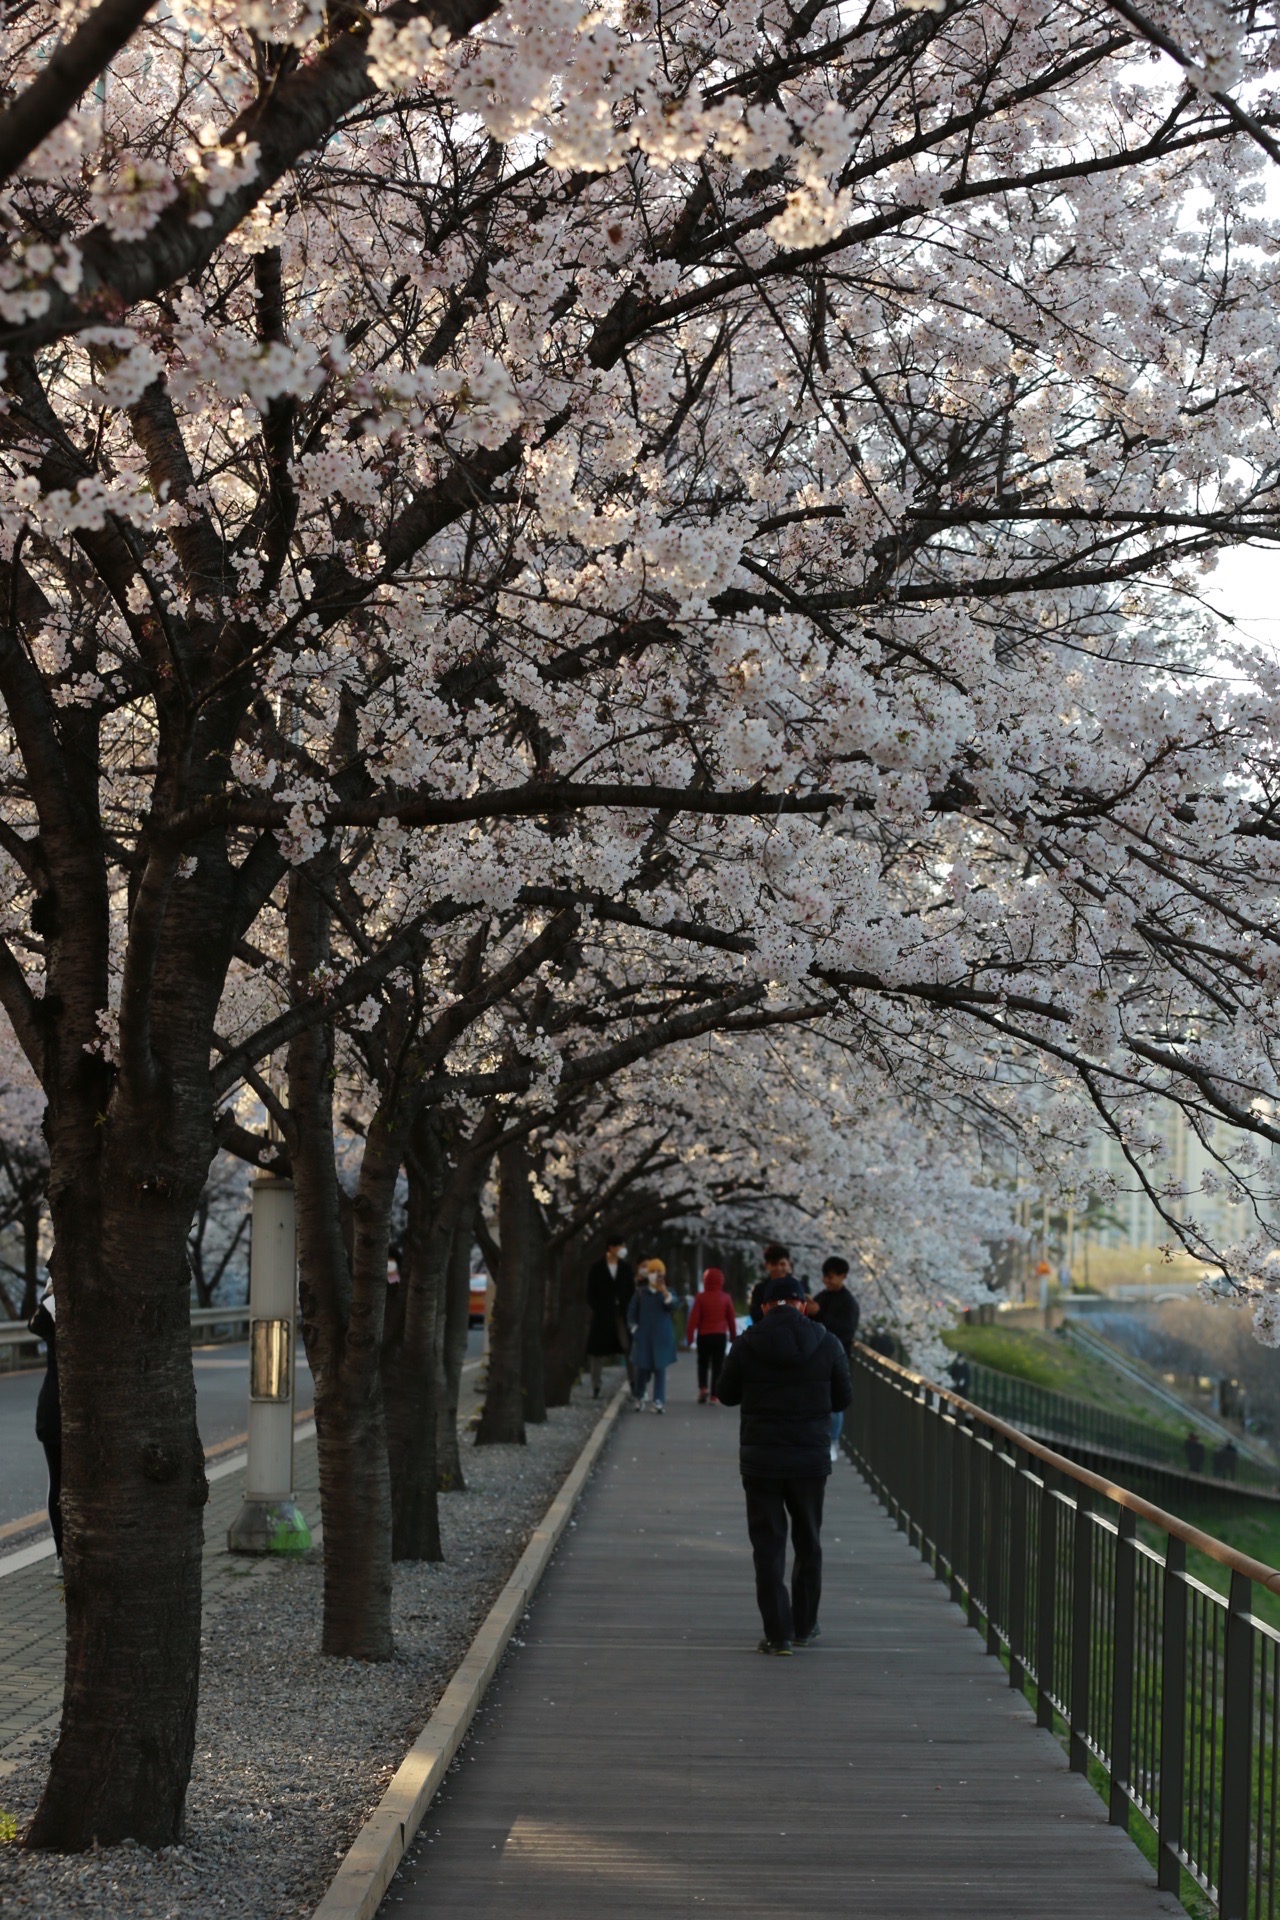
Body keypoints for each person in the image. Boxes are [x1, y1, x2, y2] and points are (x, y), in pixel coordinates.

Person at [717, 1275, 852, 1655]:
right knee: (808, 1542)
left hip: (762, 1463)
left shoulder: (746, 1344)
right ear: (801, 1304)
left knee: (768, 1547)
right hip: (809, 1460)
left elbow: (725, 1395)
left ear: (764, 1307)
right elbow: (843, 1398)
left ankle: (778, 1635)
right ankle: (805, 1626)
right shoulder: (827, 1342)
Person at [804, 1257, 859, 1460]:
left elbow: (846, 1332)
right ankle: (819, 1440)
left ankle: (833, 1441)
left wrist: (818, 1314)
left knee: (835, 1404)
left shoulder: (849, 1303)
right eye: (825, 1277)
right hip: (817, 1358)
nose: (827, 1281)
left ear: (843, 1276)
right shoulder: (822, 1297)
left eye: (831, 1277)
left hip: (838, 1358)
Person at [27, 1281, 61, 1572]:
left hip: (55, 1406)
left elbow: (34, 1324)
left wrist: (49, 1293)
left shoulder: (51, 1308)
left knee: (59, 1482)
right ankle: (64, 1554)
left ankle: (62, 1555)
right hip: (61, 1409)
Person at [584, 1235, 633, 1398]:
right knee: (597, 1351)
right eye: (620, 1246)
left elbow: (631, 1291)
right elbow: (590, 1293)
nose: (623, 1249)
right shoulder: (597, 1268)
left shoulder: (626, 1268)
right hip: (602, 1315)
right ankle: (596, 1385)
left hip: (621, 1314)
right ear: (611, 1247)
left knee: (628, 1347)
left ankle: (634, 1383)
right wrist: (599, 1307)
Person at [627, 1259, 678, 1412]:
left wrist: (665, 1292)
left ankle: (658, 1400)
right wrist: (634, 1328)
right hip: (643, 1337)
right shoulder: (641, 1293)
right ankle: (639, 1396)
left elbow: (673, 1305)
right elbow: (631, 1313)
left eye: (659, 1273)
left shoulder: (668, 1292)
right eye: (653, 1272)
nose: (656, 1276)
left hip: (661, 1338)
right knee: (642, 1369)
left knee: (660, 1370)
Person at [685, 1267, 737, 1403]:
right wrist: (733, 1336)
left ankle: (703, 1388)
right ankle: (715, 1394)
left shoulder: (700, 1298)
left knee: (702, 1363)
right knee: (717, 1366)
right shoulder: (726, 1298)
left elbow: (693, 1319)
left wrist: (690, 1337)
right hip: (719, 1336)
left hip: (704, 1336)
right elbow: (731, 1319)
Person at [749, 1243, 800, 1325]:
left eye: (782, 1264)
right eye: (774, 1264)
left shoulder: (798, 1287)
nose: (779, 1268)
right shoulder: (760, 1289)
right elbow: (755, 1316)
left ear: (789, 1265)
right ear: (767, 1265)